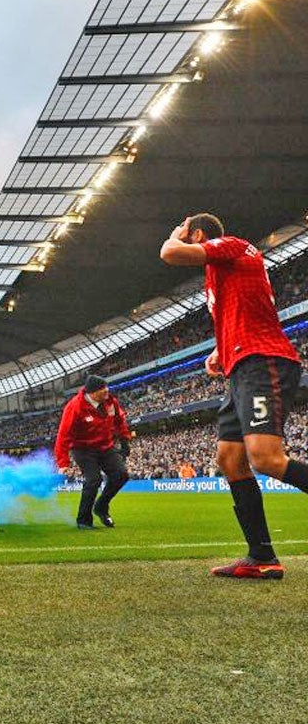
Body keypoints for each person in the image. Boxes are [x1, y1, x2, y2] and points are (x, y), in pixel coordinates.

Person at [161, 213, 306, 579]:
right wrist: (219, 350)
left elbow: (169, 253)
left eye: (189, 235)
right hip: (240, 365)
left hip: (263, 359)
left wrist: (174, 235)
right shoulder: (219, 276)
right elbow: (242, 312)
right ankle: (262, 557)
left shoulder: (232, 245)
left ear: (198, 235)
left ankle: (261, 556)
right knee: (229, 460)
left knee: (267, 459)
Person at [54, 374, 131, 529]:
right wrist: (63, 462)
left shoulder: (110, 402)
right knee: (93, 480)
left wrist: (124, 440)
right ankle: (83, 520)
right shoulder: (74, 407)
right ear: (92, 393)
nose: (107, 392)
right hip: (83, 449)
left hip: (105, 446)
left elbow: (119, 420)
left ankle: (101, 507)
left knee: (121, 475)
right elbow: (63, 435)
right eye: (103, 390)